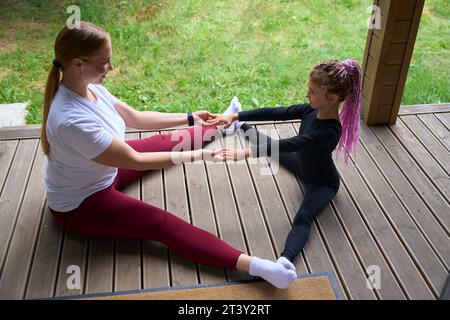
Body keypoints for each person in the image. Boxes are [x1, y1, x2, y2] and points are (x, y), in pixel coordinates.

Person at [41, 21, 297, 289]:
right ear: (78, 64)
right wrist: (199, 156)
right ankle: (260, 267)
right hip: (82, 203)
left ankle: (222, 125)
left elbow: (135, 118)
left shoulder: (91, 87)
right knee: (160, 224)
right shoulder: (70, 120)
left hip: (103, 171)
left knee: (164, 142)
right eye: (104, 62)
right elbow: (135, 160)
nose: (111, 68)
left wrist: (189, 118)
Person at [214, 59, 362, 265]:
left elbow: (292, 144)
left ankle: (285, 261)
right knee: (272, 146)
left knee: (304, 216)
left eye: (313, 92)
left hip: (322, 183)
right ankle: (239, 123)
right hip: (302, 164)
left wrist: (245, 153)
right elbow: (278, 113)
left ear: (332, 97)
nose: (307, 95)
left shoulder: (330, 130)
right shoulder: (311, 110)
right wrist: (238, 114)